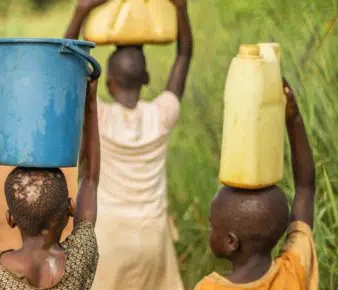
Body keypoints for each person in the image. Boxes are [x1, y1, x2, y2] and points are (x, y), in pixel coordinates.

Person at [63, 0, 192, 288]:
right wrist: (181, 9)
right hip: (154, 238)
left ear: (108, 82)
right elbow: (184, 54)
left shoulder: (100, 117)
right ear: (146, 78)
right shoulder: (161, 116)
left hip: (109, 239)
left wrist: (82, 10)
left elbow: (66, 67)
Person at [0, 79, 101, 289]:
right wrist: (90, 102)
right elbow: (90, 180)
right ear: (71, 208)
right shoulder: (80, 258)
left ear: (10, 218)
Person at [194, 79, 317, 290]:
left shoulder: (208, 288)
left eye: (213, 225)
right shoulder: (294, 270)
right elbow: (305, 188)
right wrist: (293, 118)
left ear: (232, 242)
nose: (210, 230)